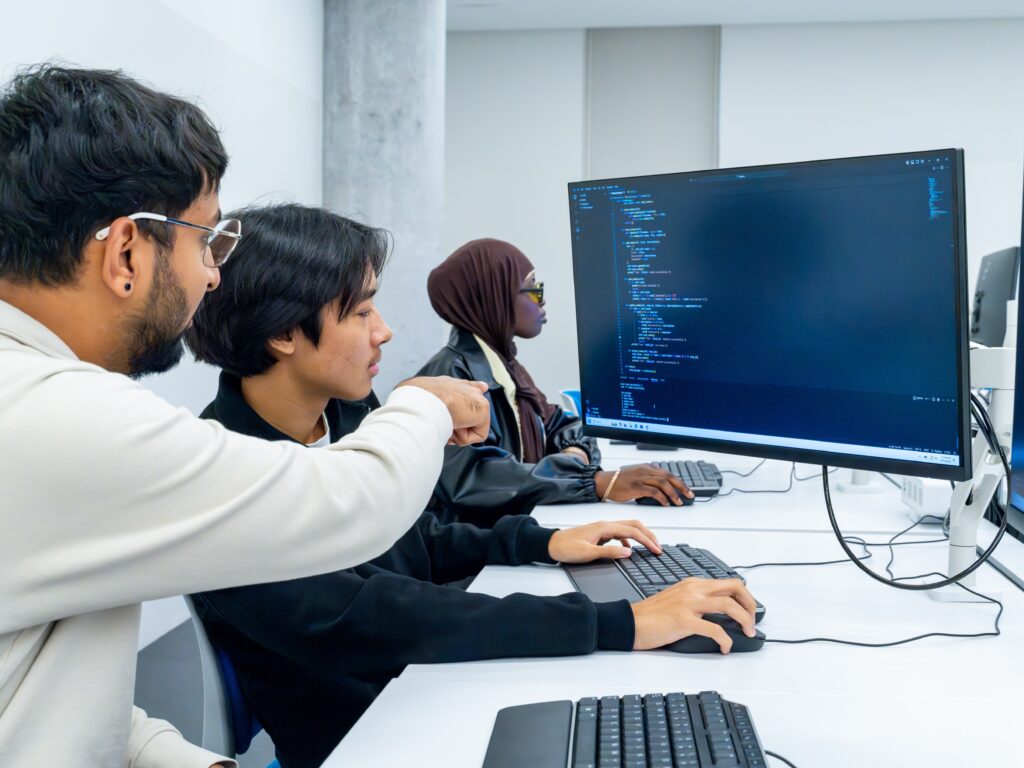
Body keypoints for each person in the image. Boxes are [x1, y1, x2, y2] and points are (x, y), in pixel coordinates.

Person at [0, 65, 490, 766]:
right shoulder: (48, 415)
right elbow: (354, 502)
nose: (213, 274)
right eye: (206, 242)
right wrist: (427, 399)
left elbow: (43, 696)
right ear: (127, 253)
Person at [183, 204, 759, 768]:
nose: (384, 331)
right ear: (284, 334)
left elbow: (416, 541)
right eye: (361, 312)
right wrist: (618, 622)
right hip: (369, 729)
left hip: (424, 680)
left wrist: (540, 543)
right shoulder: (229, 476)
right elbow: (376, 615)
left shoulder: (346, 414)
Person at [418, 238, 692, 526]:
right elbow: (474, 480)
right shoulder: (449, 378)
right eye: (534, 288)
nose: (542, 299)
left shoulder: (505, 367)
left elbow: (564, 424)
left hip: (519, 529)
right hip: (477, 558)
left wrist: (576, 452)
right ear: (494, 297)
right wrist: (596, 483)